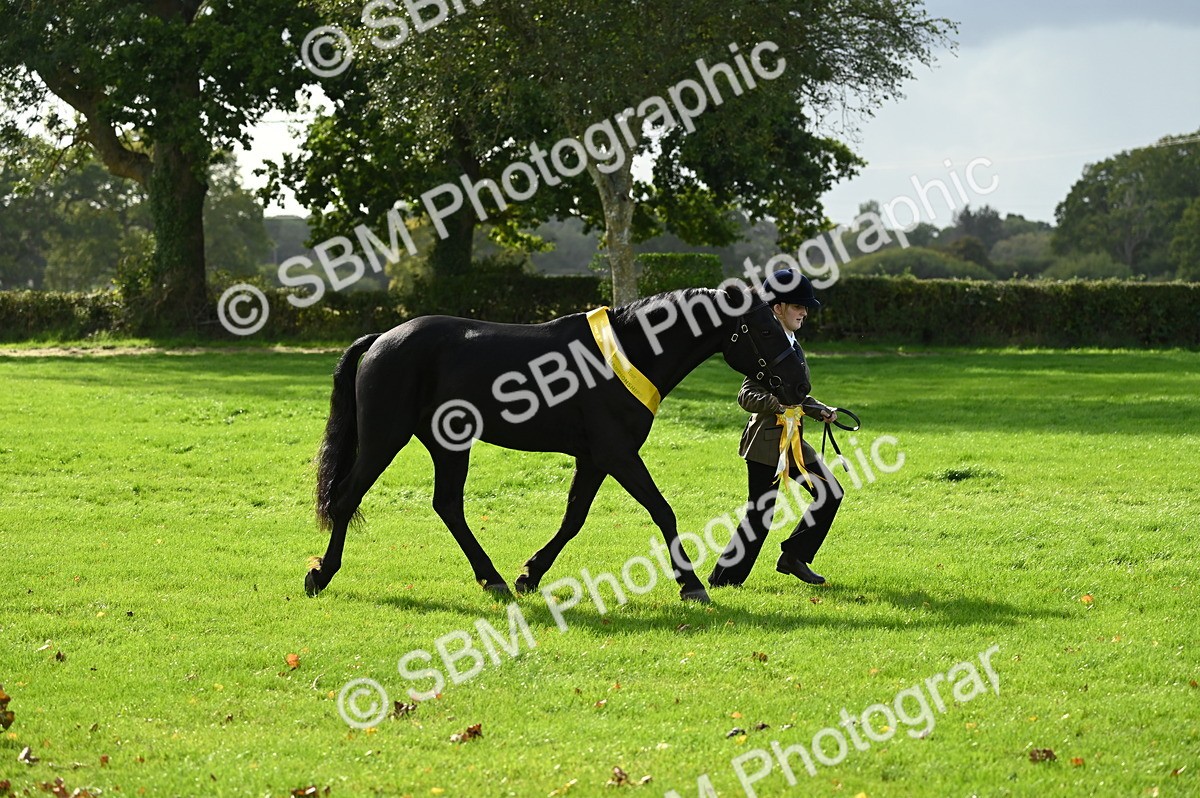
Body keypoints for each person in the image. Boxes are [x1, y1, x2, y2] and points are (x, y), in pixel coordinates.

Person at [708, 270, 843, 588]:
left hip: (793, 443)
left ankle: (794, 556)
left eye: (805, 307)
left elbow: (795, 393)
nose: (804, 312)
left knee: (829, 492)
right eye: (798, 306)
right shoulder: (765, 348)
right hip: (766, 446)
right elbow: (746, 395)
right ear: (777, 307)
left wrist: (818, 408)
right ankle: (723, 580)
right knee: (760, 516)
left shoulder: (793, 345)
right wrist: (776, 405)